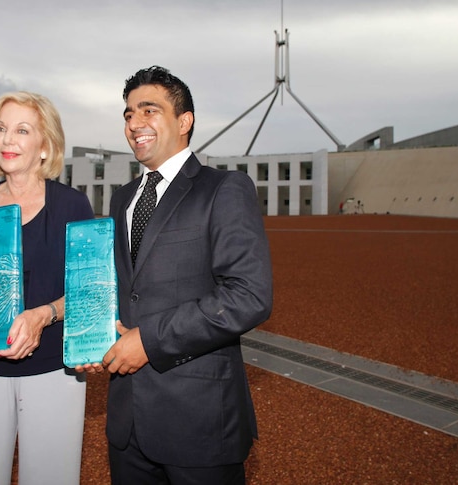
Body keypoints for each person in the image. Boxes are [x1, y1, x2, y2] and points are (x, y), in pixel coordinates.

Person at [77, 66, 273, 484]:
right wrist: (93, 337)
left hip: (199, 420)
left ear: (185, 122)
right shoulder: (123, 198)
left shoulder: (224, 188)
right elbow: (123, 288)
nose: (134, 124)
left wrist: (148, 341)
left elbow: (248, 295)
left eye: (149, 110)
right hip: (127, 423)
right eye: (128, 114)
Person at [0, 91, 94, 484]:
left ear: (45, 145)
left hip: (52, 371)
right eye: (1, 128)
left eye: (22, 130)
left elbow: (88, 290)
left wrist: (44, 315)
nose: (8, 140)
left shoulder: (73, 207)